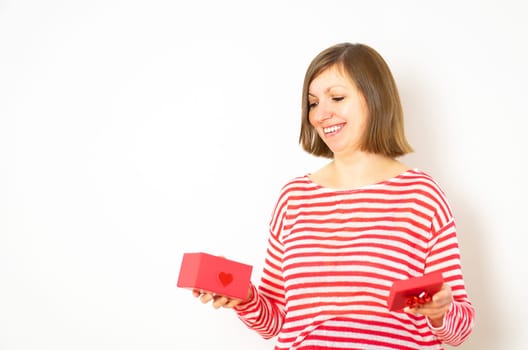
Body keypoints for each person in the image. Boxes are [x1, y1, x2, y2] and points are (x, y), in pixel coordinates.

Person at [192, 42, 475, 350]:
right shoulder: (294, 197)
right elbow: (276, 321)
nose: (320, 114)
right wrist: (244, 297)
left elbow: (459, 332)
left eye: (337, 98)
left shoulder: (422, 196)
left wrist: (440, 312)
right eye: (313, 103)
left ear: (375, 99)